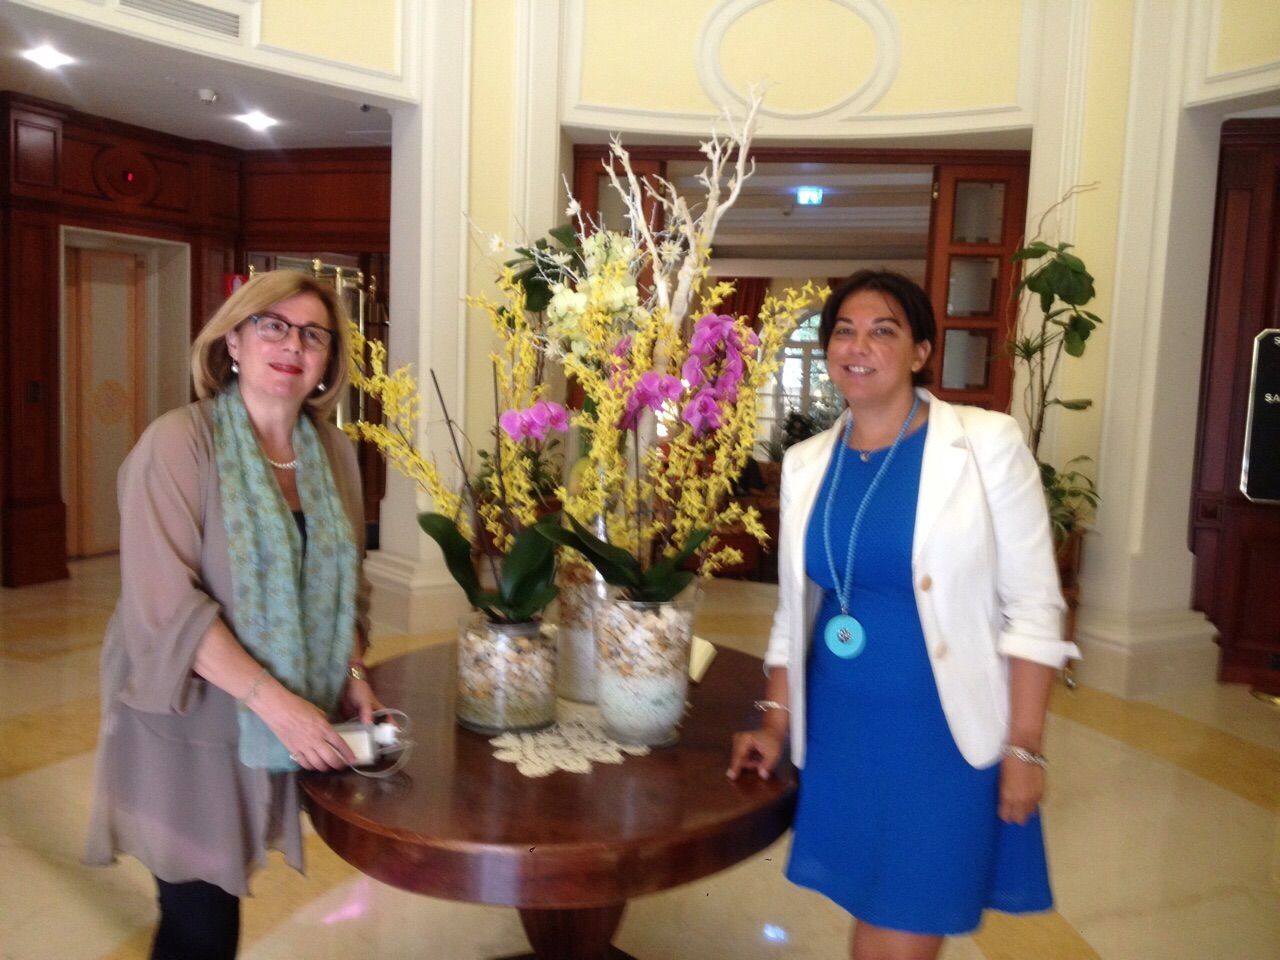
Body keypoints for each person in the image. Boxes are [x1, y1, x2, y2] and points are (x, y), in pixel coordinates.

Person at [728, 271, 1078, 960]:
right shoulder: (806, 463)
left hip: (940, 735)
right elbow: (796, 610)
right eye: (844, 331)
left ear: (920, 352)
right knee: (875, 906)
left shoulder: (985, 443)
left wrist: (1024, 747)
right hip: (843, 730)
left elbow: (1035, 605)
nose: (857, 346)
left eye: (882, 331)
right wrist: (774, 721)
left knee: (906, 916)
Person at [84, 270, 380, 960]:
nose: (293, 345)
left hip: (282, 712)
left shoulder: (333, 452)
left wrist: (353, 673)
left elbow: (345, 587)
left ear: (329, 360)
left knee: (217, 911)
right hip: (187, 719)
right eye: (272, 326)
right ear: (233, 343)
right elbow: (166, 606)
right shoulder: (178, 444)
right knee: (200, 928)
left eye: (313, 335)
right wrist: (280, 706)